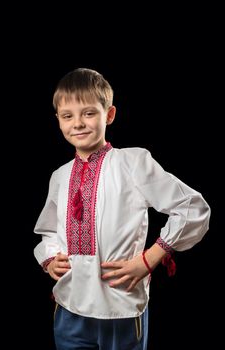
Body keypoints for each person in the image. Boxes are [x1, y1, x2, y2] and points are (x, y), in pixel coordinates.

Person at [34, 68, 210, 350]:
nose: (78, 123)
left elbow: (193, 208)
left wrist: (150, 258)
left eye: (89, 113)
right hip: (69, 307)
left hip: (121, 309)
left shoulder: (133, 162)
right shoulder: (60, 175)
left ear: (110, 114)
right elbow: (48, 231)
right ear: (58, 120)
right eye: (68, 116)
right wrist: (50, 258)